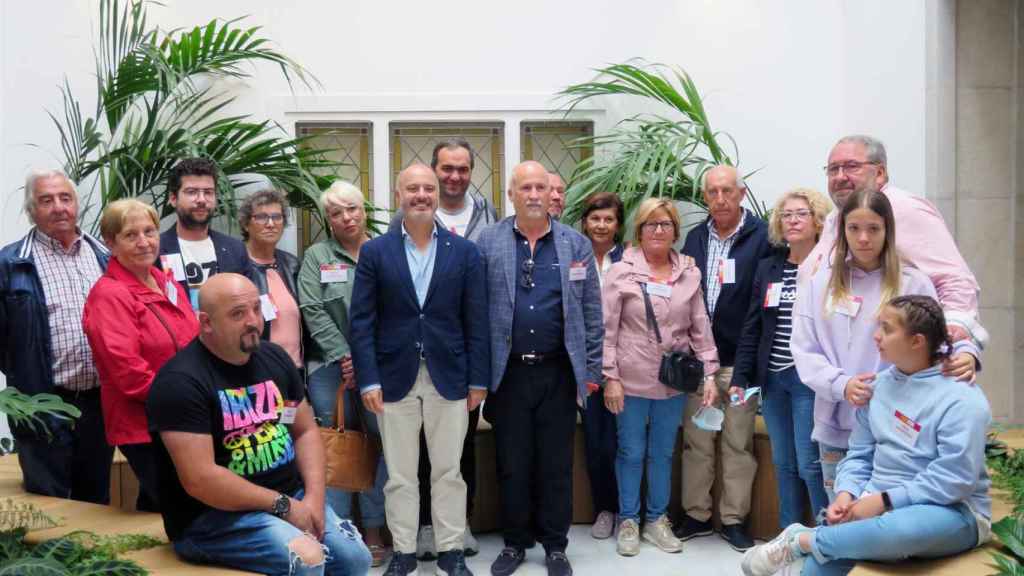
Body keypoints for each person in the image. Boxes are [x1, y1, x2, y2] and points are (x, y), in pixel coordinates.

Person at [742, 295, 991, 576]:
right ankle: (818, 543)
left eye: (887, 328)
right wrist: (846, 494)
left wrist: (885, 500)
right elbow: (859, 454)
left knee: (901, 530)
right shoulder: (878, 387)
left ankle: (801, 540)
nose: (876, 336)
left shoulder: (962, 398)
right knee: (816, 572)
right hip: (874, 507)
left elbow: (955, 480)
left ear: (917, 341)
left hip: (950, 511)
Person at [146, 273, 372, 576]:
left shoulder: (275, 359)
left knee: (356, 559)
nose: (253, 321)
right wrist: (284, 507)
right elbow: (200, 479)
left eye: (256, 308)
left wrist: (315, 499)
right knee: (306, 559)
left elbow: (303, 430)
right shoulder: (180, 382)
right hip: (214, 518)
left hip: (289, 498)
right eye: (238, 314)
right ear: (206, 323)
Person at [792, 189, 978, 503]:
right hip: (836, 422)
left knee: (885, 517)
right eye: (854, 228)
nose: (864, 238)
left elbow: (938, 340)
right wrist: (842, 384)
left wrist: (966, 353)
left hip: (899, 424)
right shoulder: (819, 284)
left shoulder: (913, 282)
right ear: (842, 231)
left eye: (874, 229)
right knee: (838, 514)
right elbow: (804, 349)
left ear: (888, 230)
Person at [350, 163, 489, 576]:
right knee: (400, 475)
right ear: (399, 196)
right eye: (413, 188)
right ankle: (405, 552)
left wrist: (478, 380)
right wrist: (368, 378)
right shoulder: (376, 252)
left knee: (449, 471)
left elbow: (476, 321)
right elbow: (361, 322)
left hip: (451, 378)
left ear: (437, 195)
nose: (422, 195)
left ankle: (451, 551)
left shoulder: (464, 252)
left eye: (428, 188)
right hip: (393, 379)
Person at [477, 161, 603, 576]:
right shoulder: (489, 241)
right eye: (525, 187)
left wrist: (592, 370)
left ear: (552, 194)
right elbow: (475, 311)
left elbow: (590, 311)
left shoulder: (575, 244)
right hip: (508, 373)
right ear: (510, 194)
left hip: (559, 371)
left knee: (556, 463)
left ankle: (555, 545)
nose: (534, 194)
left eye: (541, 187)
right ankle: (515, 543)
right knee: (512, 461)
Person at [390, 139, 496, 560]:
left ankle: (456, 531)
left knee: (456, 454)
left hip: (455, 361)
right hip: (405, 365)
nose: (454, 176)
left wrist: (479, 374)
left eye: (462, 168)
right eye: (445, 169)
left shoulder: (485, 225)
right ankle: (418, 533)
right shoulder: (393, 235)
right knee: (409, 461)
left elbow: (480, 310)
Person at [601, 198, 720, 557]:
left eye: (665, 224)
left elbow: (700, 326)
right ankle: (628, 520)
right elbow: (607, 330)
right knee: (631, 451)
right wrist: (611, 377)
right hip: (630, 381)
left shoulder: (689, 272)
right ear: (639, 230)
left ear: (675, 231)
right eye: (650, 224)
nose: (658, 230)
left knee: (662, 453)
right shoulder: (620, 272)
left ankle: (656, 520)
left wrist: (711, 373)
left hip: (673, 382)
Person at [802, 135, 986, 347]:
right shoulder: (836, 217)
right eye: (833, 169)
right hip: (833, 361)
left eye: (852, 166)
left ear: (880, 173)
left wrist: (954, 341)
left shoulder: (905, 209)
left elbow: (954, 281)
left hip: (891, 361)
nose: (840, 176)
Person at [0, 169, 114, 504]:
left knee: (96, 502)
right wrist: (25, 377)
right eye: (46, 200)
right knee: (49, 505)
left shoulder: (105, 257)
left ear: (76, 204)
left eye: (65, 198)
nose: (58, 207)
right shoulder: (11, 263)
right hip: (41, 404)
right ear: (31, 210)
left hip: (99, 405)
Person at [83, 199, 198, 512]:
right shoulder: (109, 294)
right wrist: (185, 398)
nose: (144, 241)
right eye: (131, 235)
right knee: (177, 506)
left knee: (159, 508)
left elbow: (193, 339)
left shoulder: (164, 280)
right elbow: (128, 373)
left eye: (150, 231)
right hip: (144, 423)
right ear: (110, 243)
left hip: (180, 416)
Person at [678, 165, 771, 551]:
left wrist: (748, 364)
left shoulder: (763, 237)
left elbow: (762, 300)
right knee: (697, 441)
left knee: (737, 442)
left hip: (739, 362)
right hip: (700, 362)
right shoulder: (695, 238)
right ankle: (696, 514)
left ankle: (734, 518)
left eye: (727, 191)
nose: (720, 199)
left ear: (742, 193)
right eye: (712, 192)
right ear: (705, 197)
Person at [298, 181, 389, 567]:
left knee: (376, 447)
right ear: (328, 219)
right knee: (331, 448)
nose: (346, 217)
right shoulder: (318, 256)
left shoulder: (386, 249)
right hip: (330, 371)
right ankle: (338, 530)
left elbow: (400, 306)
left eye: (352, 208)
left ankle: (372, 527)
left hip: (382, 368)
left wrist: (367, 358)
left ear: (364, 209)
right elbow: (312, 307)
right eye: (336, 212)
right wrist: (345, 355)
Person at [730, 188, 832, 529]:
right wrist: (740, 379)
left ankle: (823, 537)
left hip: (808, 380)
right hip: (772, 380)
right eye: (786, 214)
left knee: (809, 464)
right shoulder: (768, 269)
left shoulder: (829, 267)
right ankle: (789, 535)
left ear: (818, 220)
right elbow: (752, 327)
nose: (793, 220)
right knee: (783, 462)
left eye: (801, 213)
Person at [578, 191, 626, 540]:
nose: (601, 225)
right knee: (598, 443)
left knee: (628, 443)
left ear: (618, 225)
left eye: (608, 219)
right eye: (595, 218)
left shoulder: (630, 260)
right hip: (585, 366)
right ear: (585, 222)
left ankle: (631, 512)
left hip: (626, 367)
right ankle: (604, 509)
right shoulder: (572, 257)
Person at [159, 157, 256, 312]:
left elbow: (250, 303)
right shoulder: (155, 249)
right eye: (192, 192)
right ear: (173, 198)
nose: (202, 200)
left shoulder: (236, 249)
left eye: (208, 192)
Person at [240, 189, 303, 370]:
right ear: (246, 224)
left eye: (277, 217)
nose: (270, 224)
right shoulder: (237, 266)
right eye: (261, 217)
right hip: (256, 369)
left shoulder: (292, 265)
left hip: (295, 370)